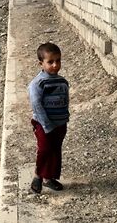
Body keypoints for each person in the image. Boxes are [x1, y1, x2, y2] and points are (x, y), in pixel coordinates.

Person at [28, 42, 70, 193]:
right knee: (44, 149)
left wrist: (65, 117)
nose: (55, 65)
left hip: (60, 123)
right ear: (41, 63)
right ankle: (38, 176)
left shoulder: (62, 81)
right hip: (43, 124)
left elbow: (65, 100)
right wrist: (46, 125)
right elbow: (37, 106)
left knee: (55, 150)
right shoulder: (37, 83)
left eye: (58, 60)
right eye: (50, 62)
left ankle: (49, 178)